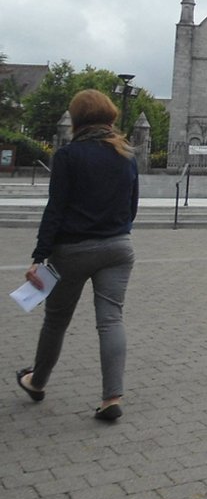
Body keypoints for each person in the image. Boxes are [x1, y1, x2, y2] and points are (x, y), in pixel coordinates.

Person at [16, 89, 138, 422]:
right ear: (110, 116)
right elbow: (132, 206)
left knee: (56, 321)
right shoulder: (127, 153)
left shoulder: (69, 155)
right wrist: (116, 232)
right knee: (111, 320)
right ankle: (111, 397)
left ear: (77, 120)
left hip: (71, 249)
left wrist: (39, 256)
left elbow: (54, 209)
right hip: (117, 247)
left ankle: (37, 381)